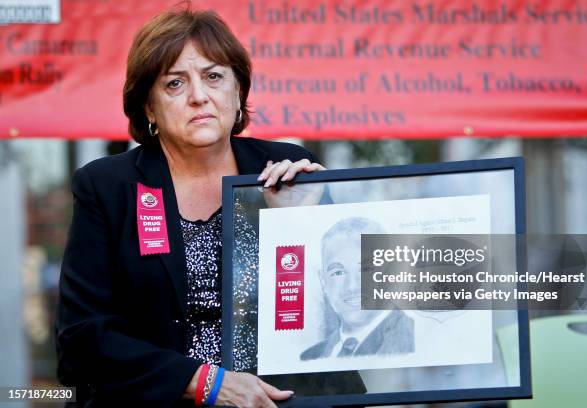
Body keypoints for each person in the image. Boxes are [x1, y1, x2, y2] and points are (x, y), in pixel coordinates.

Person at [55, 8, 324, 407]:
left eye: (214, 77)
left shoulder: (286, 171)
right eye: (175, 83)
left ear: (238, 93)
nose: (199, 96)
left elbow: (334, 304)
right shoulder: (107, 187)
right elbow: (82, 338)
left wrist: (297, 224)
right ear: (149, 108)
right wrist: (204, 382)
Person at [301, 218, 415, 360]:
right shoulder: (309, 358)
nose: (352, 286)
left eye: (366, 269)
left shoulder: (415, 342)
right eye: (338, 272)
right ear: (324, 282)